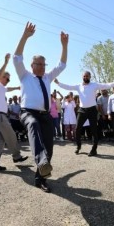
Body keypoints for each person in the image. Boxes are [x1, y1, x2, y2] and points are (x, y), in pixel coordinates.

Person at [13, 22, 68, 193]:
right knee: (33, 125)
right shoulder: (25, 76)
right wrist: (25, 36)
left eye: (44, 65)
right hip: (28, 113)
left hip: (45, 115)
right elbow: (17, 57)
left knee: (49, 147)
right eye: (39, 64)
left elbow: (62, 65)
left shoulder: (47, 78)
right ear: (32, 65)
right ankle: (41, 161)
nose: (43, 67)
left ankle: (41, 177)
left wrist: (64, 46)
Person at [54, 71, 114, 156]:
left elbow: (107, 85)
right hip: (82, 110)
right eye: (84, 76)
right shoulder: (78, 86)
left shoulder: (94, 85)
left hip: (92, 110)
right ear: (82, 77)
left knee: (94, 130)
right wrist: (58, 83)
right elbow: (68, 87)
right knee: (77, 129)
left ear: (90, 77)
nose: (85, 77)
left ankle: (94, 149)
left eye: (87, 76)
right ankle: (78, 146)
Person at [0, 53, 28, 171]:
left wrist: (16, 88)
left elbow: (8, 89)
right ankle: (16, 156)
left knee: (0, 141)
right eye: (7, 78)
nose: (8, 80)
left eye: (9, 79)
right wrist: (5, 63)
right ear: (1, 77)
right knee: (11, 135)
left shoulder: (2, 88)